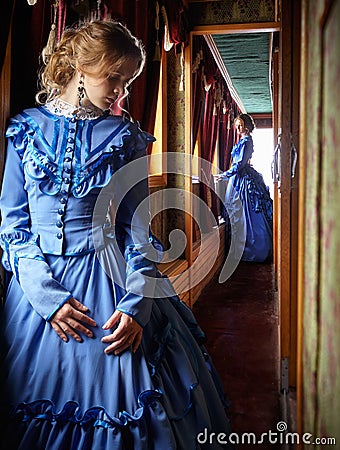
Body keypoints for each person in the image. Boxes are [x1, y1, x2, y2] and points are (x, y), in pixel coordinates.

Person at [0, 19, 235, 449]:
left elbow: (137, 228)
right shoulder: (24, 131)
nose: (121, 93)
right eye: (114, 78)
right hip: (35, 293)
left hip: (112, 284)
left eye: (126, 82)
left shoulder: (125, 138)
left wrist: (136, 306)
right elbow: (13, 228)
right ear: (79, 65)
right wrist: (47, 300)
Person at [221, 113, 273, 263]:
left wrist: (225, 174)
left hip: (241, 178)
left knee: (246, 213)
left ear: (247, 126)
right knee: (238, 213)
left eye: (240, 126)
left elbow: (239, 164)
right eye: (236, 125)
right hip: (238, 177)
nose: (237, 128)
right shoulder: (243, 141)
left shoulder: (246, 141)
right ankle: (240, 249)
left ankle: (253, 250)